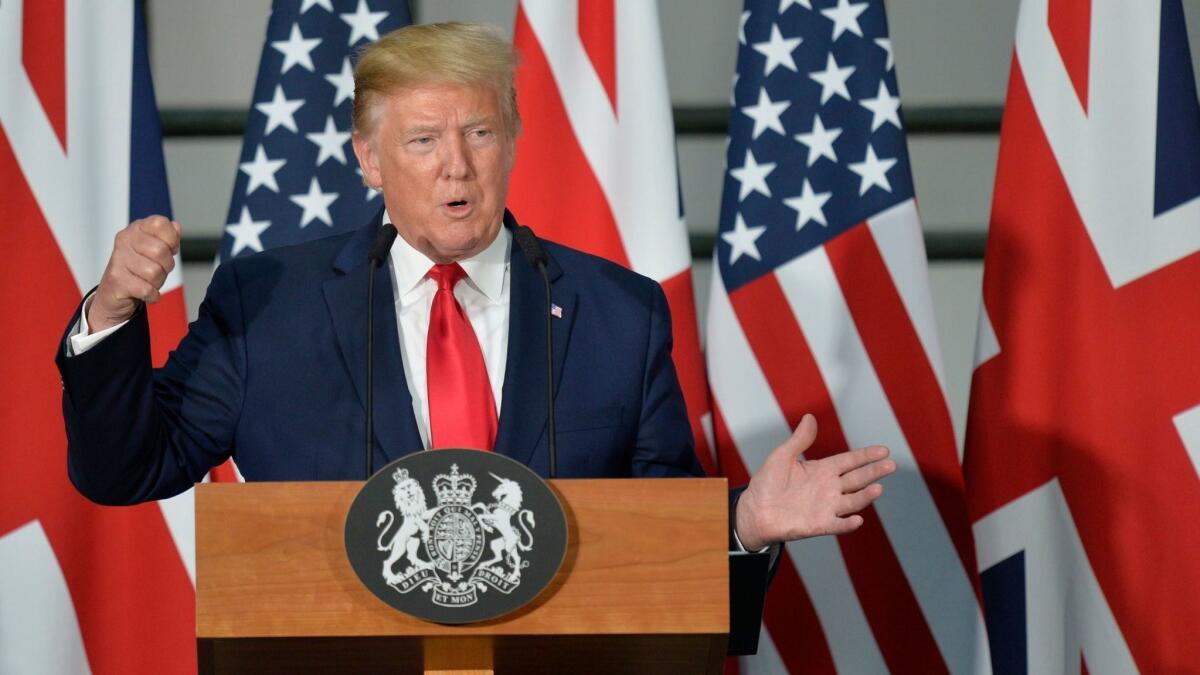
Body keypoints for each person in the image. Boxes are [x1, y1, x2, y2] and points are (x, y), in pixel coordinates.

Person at [56, 22, 893, 553]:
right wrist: (113, 312)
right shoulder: (266, 304)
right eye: (422, 140)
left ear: (514, 139)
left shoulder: (617, 314)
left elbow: (656, 529)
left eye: (480, 132)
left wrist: (741, 522)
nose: (456, 165)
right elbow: (127, 467)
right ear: (369, 158)